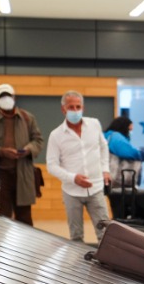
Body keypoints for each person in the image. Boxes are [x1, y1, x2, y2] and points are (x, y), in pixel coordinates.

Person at [44, 91, 111, 243]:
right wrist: (73, 178)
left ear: (83, 108)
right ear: (63, 109)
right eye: (71, 107)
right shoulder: (56, 135)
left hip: (96, 188)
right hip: (71, 192)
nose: (75, 110)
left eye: (78, 107)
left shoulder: (94, 124)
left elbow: (103, 146)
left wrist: (105, 169)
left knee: (105, 233)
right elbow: (51, 165)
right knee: (76, 236)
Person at [0, 84, 44, 224]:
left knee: (24, 216)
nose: (6, 99)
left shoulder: (27, 118)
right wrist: (1, 151)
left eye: (9, 96)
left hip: (23, 172)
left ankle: (26, 239)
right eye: (2, 97)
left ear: (14, 98)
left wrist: (27, 149)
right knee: (2, 215)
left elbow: (38, 140)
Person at [105, 116, 144, 188]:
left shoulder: (107, 136)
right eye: (129, 130)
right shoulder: (116, 137)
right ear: (123, 128)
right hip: (114, 178)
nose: (130, 133)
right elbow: (129, 152)